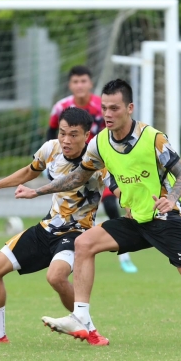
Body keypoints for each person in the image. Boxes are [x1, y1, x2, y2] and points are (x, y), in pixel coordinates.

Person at [15, 79, 181, 351]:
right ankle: (80, 316)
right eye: (105, 108)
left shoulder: (153, 138)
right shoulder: (99, 143)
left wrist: (172, 199)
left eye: (114, 108)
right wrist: (38, 191)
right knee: (84, 243)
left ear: (129, 108)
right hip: (135, 221)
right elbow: (76, 178)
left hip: (166, 219)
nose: (108, 114)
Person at [0, 107, 113, 346]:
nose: (66, 140)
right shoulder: (51, 148)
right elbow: (29, 171)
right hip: (47, 228)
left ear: (87, 136)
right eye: (63, 133)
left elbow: (115, 187)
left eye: (74, 134)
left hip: (76, 233)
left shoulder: (97, 161)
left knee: (56, 277)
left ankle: (90, 331)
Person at [48, 65, 138, 274]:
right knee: (68, 207)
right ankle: (63, 248)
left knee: (110, 202)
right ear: (70, 85)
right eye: (75, 82)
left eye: (83, 81)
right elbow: (51, 131)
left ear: (90, 83)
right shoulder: (61, 107)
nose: (79, 85)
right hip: (72, 166)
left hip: (102, 164)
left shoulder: (103, 106)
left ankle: (124, 254)